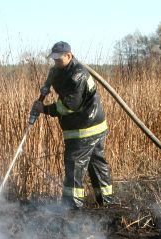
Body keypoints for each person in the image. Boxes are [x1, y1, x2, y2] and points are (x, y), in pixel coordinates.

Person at [30, 41, 114, 209]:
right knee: (96, 163)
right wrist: (46, 86)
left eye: (59, 59)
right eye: (53, 59)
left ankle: (72, 208)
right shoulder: (58, 69)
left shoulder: (79, 75)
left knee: (74, 164)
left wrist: (44, 109)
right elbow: (52, 76)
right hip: (93, 124)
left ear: (69, 55)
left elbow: (69, 106)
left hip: (84, 127)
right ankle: (106, 203)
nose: (56, 62)